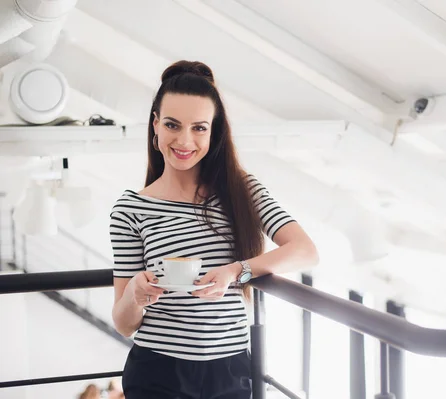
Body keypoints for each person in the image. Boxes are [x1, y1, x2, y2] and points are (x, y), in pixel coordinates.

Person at [109, 60, 319, 399]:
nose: (184, 140)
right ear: (155, 126)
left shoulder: (241, 190)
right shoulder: (131, 209)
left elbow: (305, 251)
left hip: (230, 370)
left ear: (214, 131)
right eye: (172, 125)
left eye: (199, 128)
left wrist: (237, 271)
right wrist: (135, 293)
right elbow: (123, 323)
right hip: (157, 371)